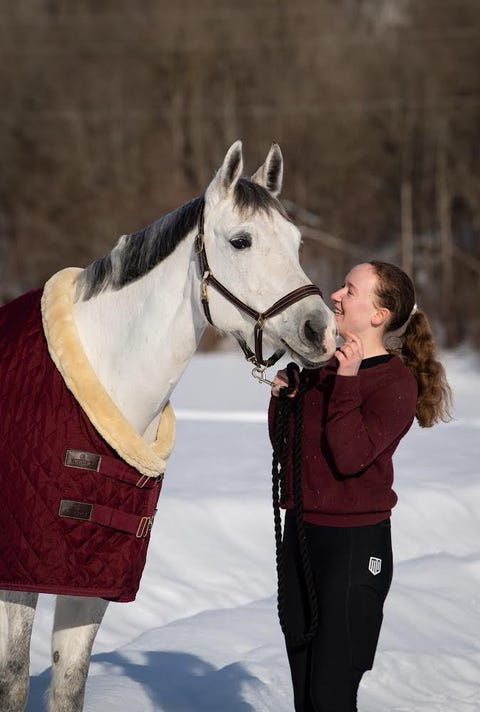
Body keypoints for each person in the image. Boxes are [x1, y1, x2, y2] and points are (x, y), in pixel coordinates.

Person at [269, 261, 452, 712]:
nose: (335, 295)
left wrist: (347, 382)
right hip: (301, 538)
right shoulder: (322, 369)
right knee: (305, 691)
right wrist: (282, 400)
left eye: (350, 290)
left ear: (378, 314)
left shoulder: (394, 383)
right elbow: (288, 451)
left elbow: (350, 457)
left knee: (330, 694)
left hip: (353, 547)